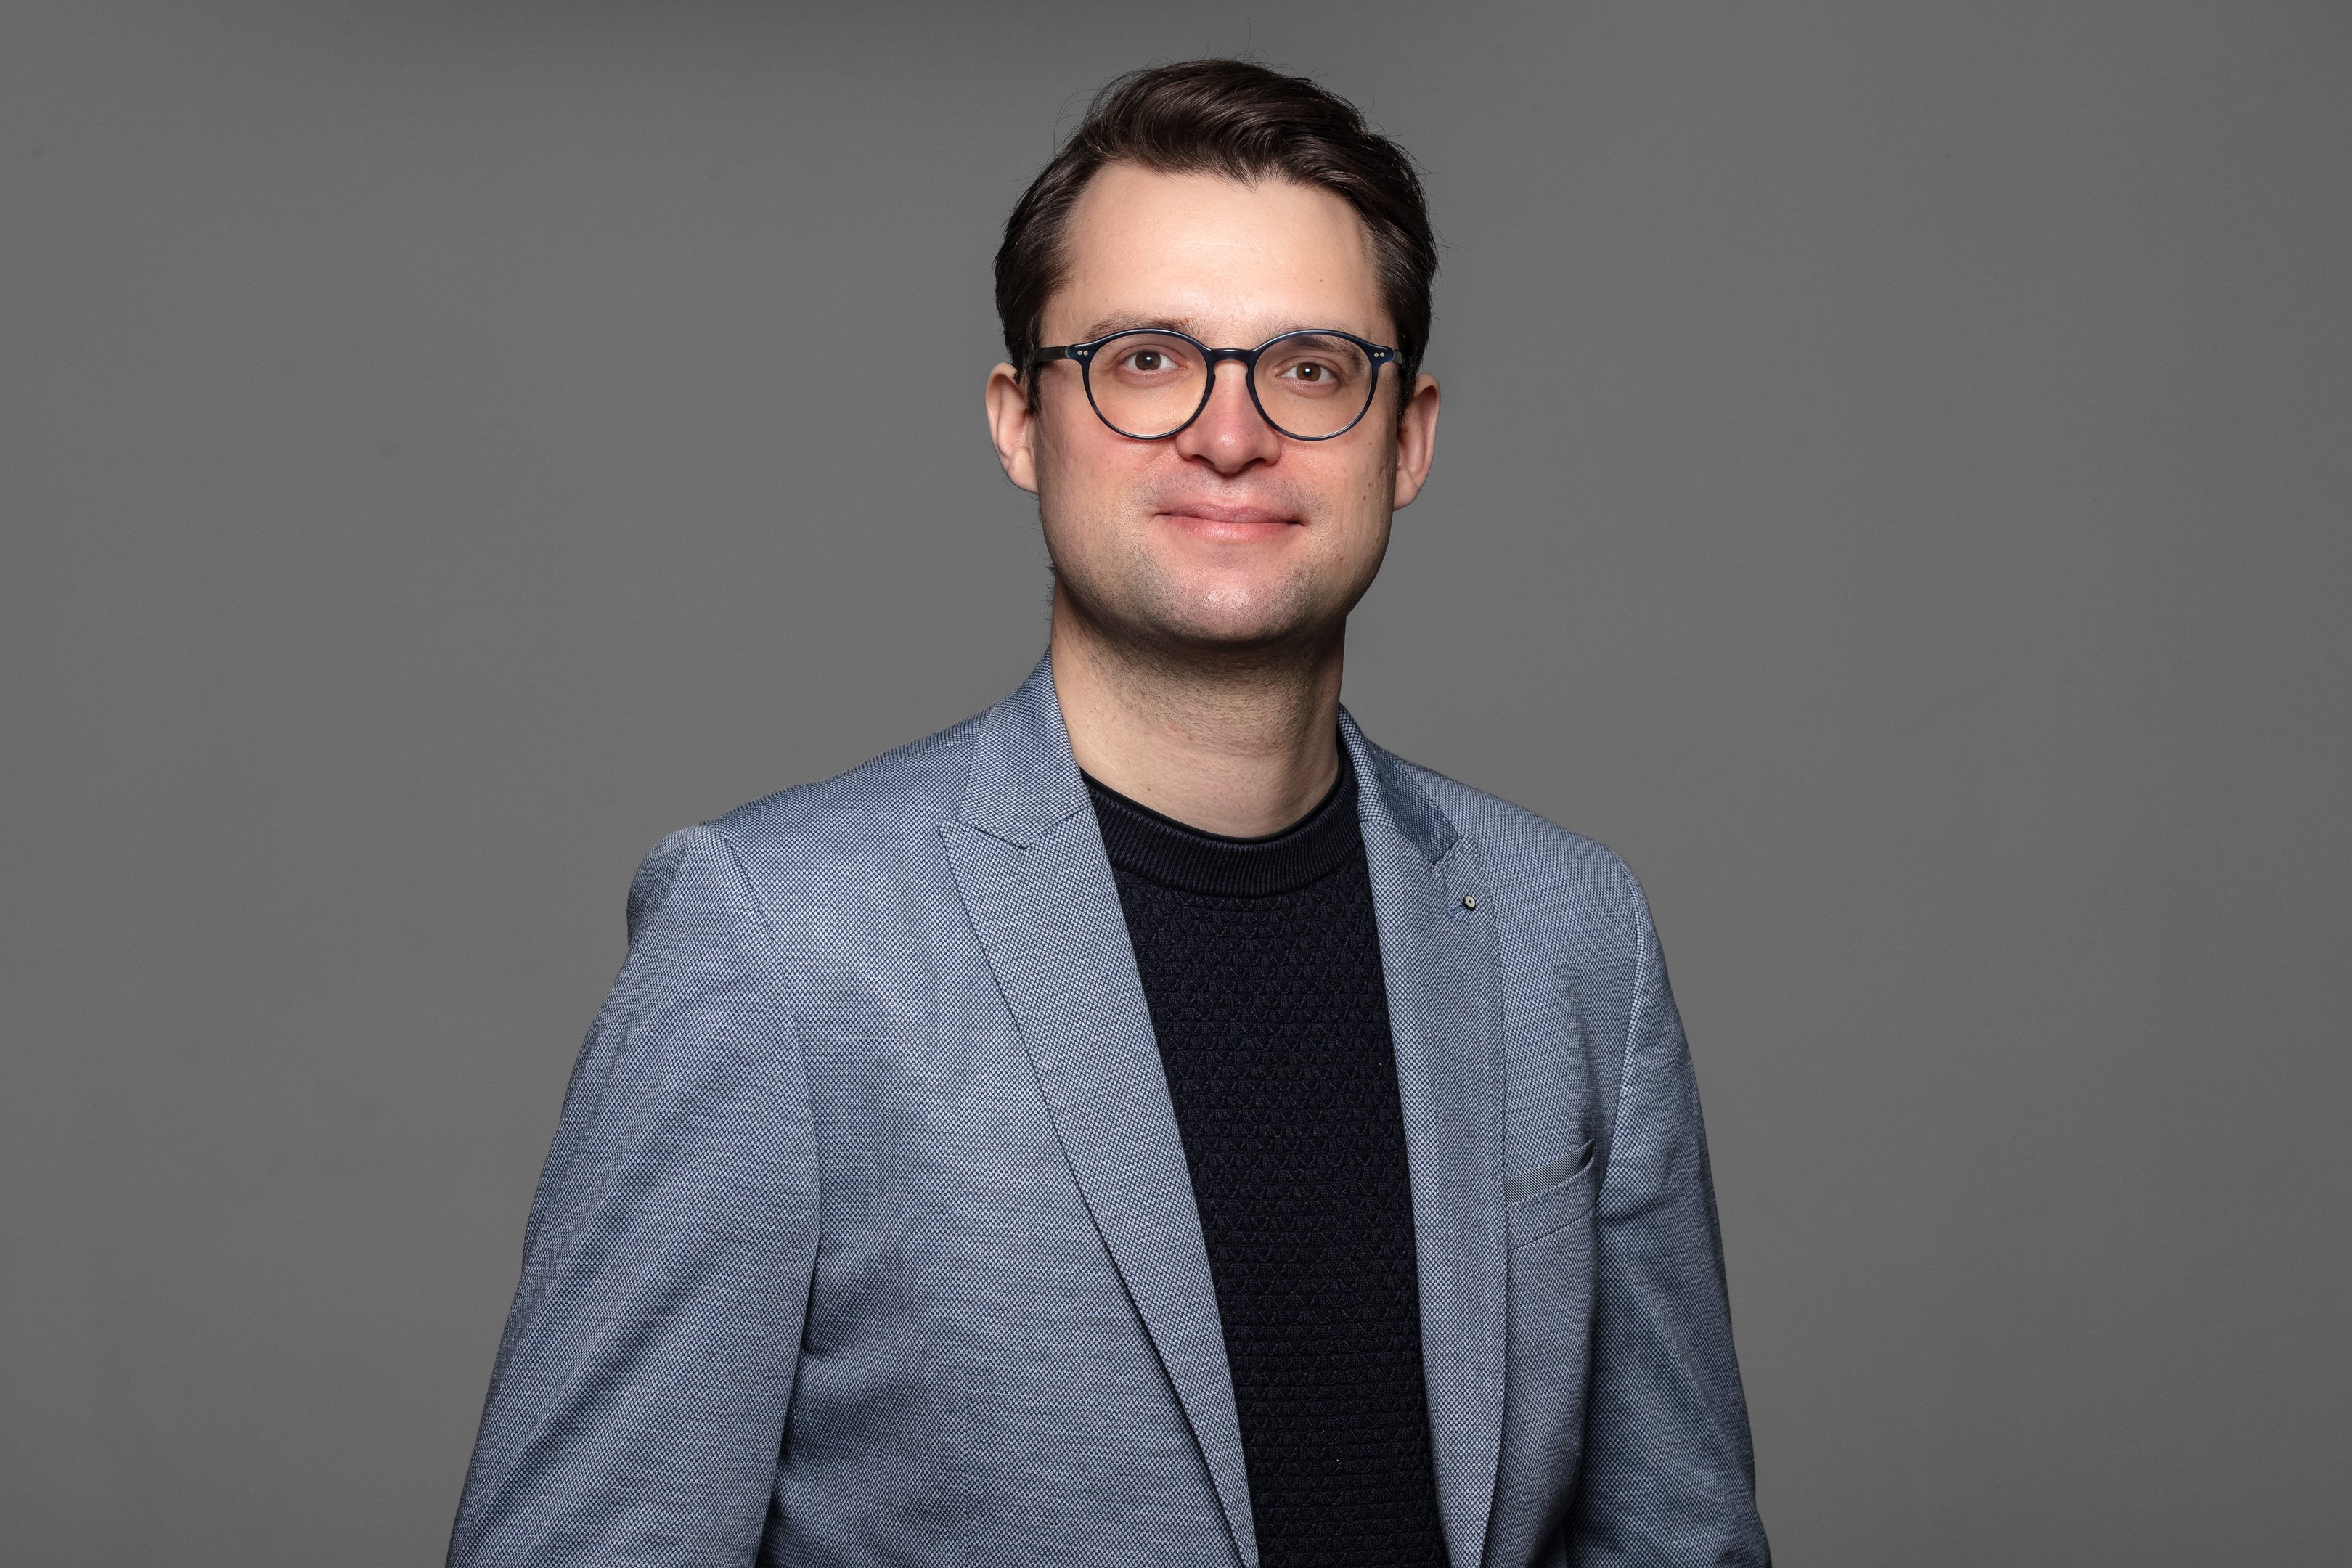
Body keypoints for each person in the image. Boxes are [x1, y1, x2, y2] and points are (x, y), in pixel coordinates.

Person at [449, 59, 1768, 1568]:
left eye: (1312, 368)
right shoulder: (778, 948)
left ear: (1405, 439)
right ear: (1022, 421)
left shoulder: (1575, 939)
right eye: (1147, 360)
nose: (1230, 434)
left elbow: (1679, 1539)